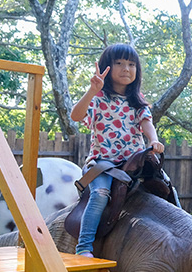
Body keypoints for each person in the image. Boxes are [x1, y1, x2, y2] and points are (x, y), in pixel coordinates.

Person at [70, 43, 164, 256]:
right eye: (119, 63)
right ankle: (83, 246)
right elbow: (76, 116)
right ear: (107, 67)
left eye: (131, 64)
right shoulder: (98, 98)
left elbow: (147, 123)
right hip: (104, 163)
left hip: (133, 162)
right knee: (100, 194)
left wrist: (154, 140)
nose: (126, 69)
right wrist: (92, 90)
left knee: (166, 186)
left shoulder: (137, 101)